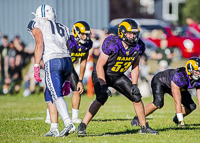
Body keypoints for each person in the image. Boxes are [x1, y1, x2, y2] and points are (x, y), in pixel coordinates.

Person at [77, 19, 159, 135]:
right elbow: (99, 65)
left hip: (118, 75)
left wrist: (134, 84)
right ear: (122, 33)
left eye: (134, 33)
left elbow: (135, 66)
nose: (133, 36)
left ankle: (144, 126)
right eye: (130, 33)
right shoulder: (112, 43)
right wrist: (103, 84)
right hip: (102, 73)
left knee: (136, 96)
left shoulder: (138, 46)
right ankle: (82, 125)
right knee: (101, 98)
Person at [27, 4, 75, 137]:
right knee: (49, 94)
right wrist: (67, 77)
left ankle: (68, 123)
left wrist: (36, 66)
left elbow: (39, 42)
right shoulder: (64, 27)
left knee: (56, 95)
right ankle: (54, 128)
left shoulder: (36, 22)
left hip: (53, 61)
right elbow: (70, 47)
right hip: (67, 61)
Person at [45, 21, 93, 124]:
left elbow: (83, 61)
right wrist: (66, 81)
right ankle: (49, 115)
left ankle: (75, 117)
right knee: (53, 91)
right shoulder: (68, 41)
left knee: (77, 89)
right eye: (82, 34)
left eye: (86, 34)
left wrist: (80, 80)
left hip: (70, 68)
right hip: (58, 66)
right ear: (76, 33)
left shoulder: (87, 44)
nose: (85, 37)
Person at [131, 57, 200, 127]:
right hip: (160, 81)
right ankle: (138, 118)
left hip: (176, 85)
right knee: (158, 103)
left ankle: (176, 118)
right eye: (196, 71)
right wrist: (181, 121)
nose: (198, 73)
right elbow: (177, 101)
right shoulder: (180, 76)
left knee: (191, 106)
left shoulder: (197, 79)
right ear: (190, 70)